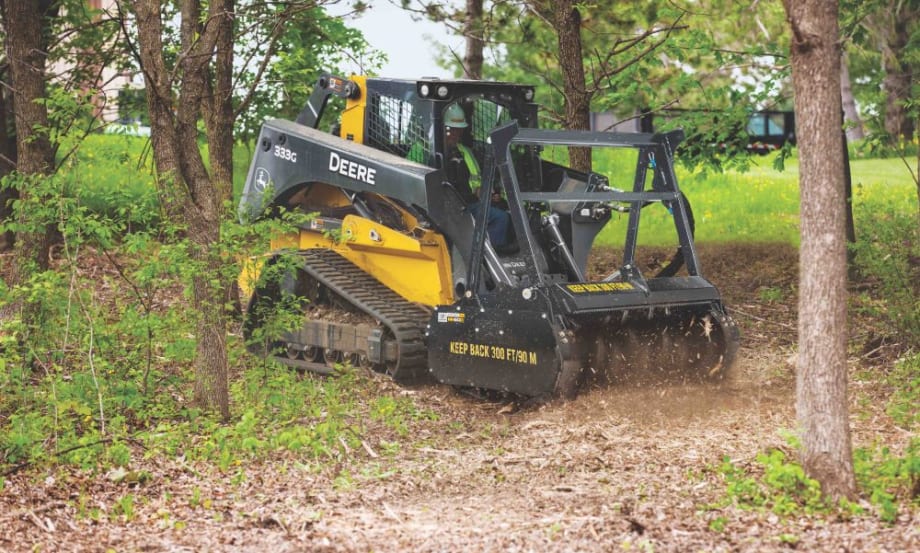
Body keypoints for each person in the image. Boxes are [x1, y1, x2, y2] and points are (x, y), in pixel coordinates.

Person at [442, 103, 511, 248]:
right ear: (443, 128)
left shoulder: (465, 151)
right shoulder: (428, 150)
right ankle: (487, 254)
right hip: (449, 206)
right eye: (451, 130)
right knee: (500, 218)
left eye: (459, 130)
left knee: (505, 211)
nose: (455, 134)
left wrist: (487, 192)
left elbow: (477, 179)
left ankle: (485, 250)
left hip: (470, 202)